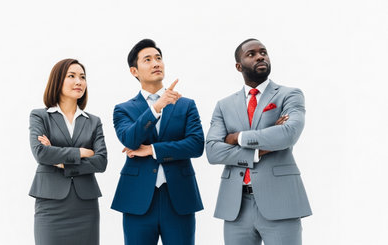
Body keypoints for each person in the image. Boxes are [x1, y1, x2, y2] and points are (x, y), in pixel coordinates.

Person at [205, 39, 312, 245]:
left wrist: (237, 138)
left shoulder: (289, 95)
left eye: (263, 52)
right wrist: (258, 151)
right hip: (236, 207)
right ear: (239, 66)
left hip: (281, 202)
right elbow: (213, 151)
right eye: (251, 54)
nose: (260, 56)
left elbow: (288, 134)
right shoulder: (224, 105)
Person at [111, 39, 204, 245]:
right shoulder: (123, 109)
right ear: (134, 71)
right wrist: (156, 108)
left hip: (179, 198)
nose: (156, 63)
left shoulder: (186, 105)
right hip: (137, 200)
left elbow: (196, 145)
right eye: (148, 59)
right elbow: (130, 139)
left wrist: (153, 149)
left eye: (158, 58)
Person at [28, 58, 107, 245]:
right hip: (50, 205)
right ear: (57, 80)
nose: (79, 81)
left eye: (82, 77)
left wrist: (62, 162)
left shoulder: (93, 121)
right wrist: (81, 152)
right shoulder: (40, 116)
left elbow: (101, 161)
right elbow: (40, 153)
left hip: (85, 207)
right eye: (71, 76)